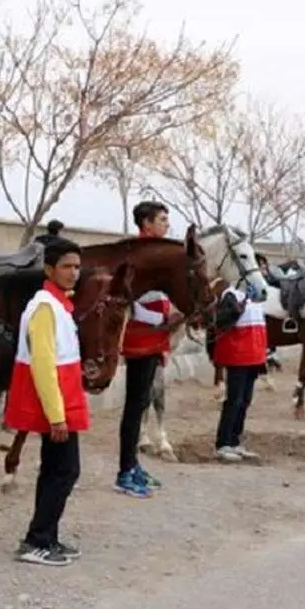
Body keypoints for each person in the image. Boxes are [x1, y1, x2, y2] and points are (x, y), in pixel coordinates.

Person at [6, 237, 90, 566]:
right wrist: (57, 416)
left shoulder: (58, 305)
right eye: (67, 266)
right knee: (66, 470)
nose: (73, 273)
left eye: (77, 267)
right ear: (49, 269)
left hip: (62, 399)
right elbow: (42, 363)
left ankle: (47, 537)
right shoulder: (44, 308)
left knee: (55, 469)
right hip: (55, 404)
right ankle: (37, 540)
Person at [116, 201, 182, 497]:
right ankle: (125, 470)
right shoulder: (137, 256)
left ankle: (133, 464)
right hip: (141, 339)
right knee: (134, 406)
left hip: (155, 338)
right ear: (146, 223)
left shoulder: (158, 254)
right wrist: (161, 319)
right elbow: (130, 298)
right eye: (162, 219)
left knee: (141, 403)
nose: (167, 224)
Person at [212, 280, 268, 462]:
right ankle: (223, 443)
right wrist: (237, 309)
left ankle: (235, 440)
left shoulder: (256, 297)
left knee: (244, 400)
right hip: (237, 355)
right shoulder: (230, 295)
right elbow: (220, 321)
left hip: (254, 355)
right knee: (234, 400)